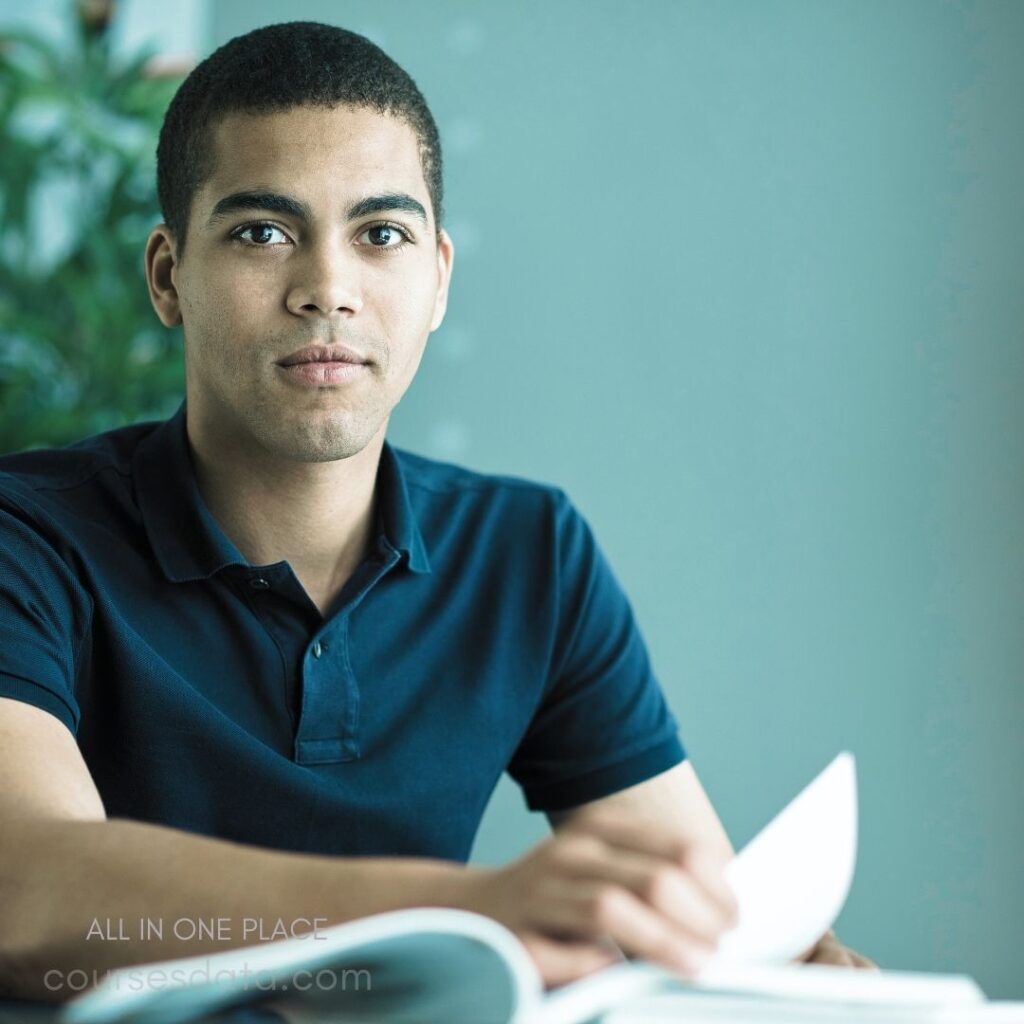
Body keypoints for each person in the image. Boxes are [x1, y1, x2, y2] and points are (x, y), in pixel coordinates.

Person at [0, 20, 872, 1002]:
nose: (328, 289)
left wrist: (787, 970)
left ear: (439, 278)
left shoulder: (529, 552)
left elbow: (681, 904)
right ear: (168, 277)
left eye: (381, 235)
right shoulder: (25, 537)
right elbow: (25, 889)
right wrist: (469, 907)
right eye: (262, 233)